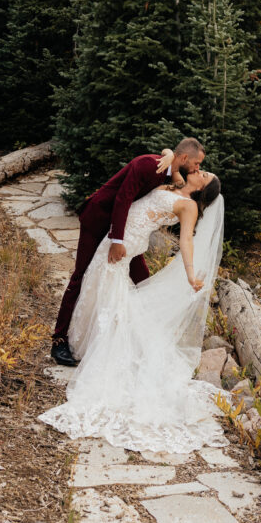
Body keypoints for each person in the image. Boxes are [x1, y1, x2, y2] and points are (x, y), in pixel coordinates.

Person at [39, 170, 224, 454]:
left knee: (106, 287)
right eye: (201, 168)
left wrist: (190, 275)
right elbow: (169, 160)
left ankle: (103, 347)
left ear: (203, 189)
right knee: (96, 284)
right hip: (119, 239)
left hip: (125, 245)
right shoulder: (174, 183)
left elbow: (186, 241)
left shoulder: (188, 206)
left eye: (204, 175)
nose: (199, 171)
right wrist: (166, 152)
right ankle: (88, 342)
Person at [50, 138, 206, 366]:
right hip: (100, 220)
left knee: (144, 283)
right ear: (184, 159)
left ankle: (139, 340)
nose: (197, 169)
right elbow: (122, 199)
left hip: (129, 238)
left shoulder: (170, 172)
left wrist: (170, 157)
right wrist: (117, 239)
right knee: (81, 276)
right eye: (196, 164)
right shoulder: (147, 165)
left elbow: (180, 188)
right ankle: (59, 342)